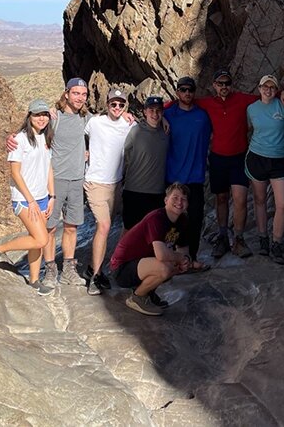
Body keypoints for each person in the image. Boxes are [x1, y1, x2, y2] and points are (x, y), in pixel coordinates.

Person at [7, 78, 90, 289]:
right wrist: (10, 139)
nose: (79, 98)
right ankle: (50, 269)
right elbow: (30, 131)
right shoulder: (54, 117)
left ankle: (69, 270)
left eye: (84, 94)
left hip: (77, 178)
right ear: (66, 94)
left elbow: (110, 123)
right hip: (55, 180)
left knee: (71, 227)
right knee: (50, 228)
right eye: (76, 93)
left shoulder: (86, 118)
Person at [0, 99, 56, 295]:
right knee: (41, 239)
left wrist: (52, 195)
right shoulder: (20, 140)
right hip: (25, 199)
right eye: (37, 115)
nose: (41, 119)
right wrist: (31, 200)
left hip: (42, 197)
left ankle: (34, 280)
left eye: (44, 115)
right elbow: (15, 173)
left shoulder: (45, 138)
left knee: (37, 239)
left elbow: (48, 168)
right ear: (29, 116)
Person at [194, 69, 259, 259]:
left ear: (231, 85)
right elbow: (184, 102)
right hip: (218, 158)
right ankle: (222, 237)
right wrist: (161, 111)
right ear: (214, 85)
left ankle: (238, 239)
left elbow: (264, 96)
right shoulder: (207, 103)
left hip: (239, 158)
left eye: (227, 83)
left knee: (239, 199)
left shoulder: (241, 99)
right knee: (221, 198)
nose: (224, 87)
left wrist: (283, 93)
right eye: (220, 83)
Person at [109, 183, 192, 316]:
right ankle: (138, 297)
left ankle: (148, 292)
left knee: (174, 264)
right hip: (122, 268)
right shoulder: (157, 218)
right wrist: (180, 258)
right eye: (175, 198)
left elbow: (183, 248)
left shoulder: (182, 219)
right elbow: (161, 255)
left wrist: (185, 260)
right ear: (166, 200)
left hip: (142, 263)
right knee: (165, 267)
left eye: (183, 199)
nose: (179, 202)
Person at [82, 87, 134, 295]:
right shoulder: (94, 122)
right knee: (104, 226)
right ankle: (95, 277)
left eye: (121, 105)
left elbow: (149, 127)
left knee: (105, 227)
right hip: (94, 183)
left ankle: (93, 269)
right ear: (107, 104)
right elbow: (72, 129)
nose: (117, 108)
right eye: (113, 104)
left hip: (116, 184)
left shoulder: (128, 125)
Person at [163, 76, 212, 270]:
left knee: (195, 219)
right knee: (173, 220)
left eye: (190, 90)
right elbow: (149, 116)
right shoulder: (168, 114)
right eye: (183, 90)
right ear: (177, 93)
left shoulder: (203, 116)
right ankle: (172, 255)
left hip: (195, 178)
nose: (187, 93)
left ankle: (191, 258)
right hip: (174, 179)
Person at [245, 74, 284, 263]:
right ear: (259, 87)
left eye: (272, 87)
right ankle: (263, 238)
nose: (268, 90)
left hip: (280, 160)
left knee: (283, 204)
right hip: (257, 158)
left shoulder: (283, 106)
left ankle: (277, 242)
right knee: (260, 200)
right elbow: (248, 130)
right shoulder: (251, 109)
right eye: (265, 86)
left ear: (276, 89)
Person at [121, 96, 169, 230]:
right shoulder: (134, 130)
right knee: (129, 232)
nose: (155, 114)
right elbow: (125, 154)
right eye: (151, 110)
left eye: (158, 110)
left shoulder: (167, 132)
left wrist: (165, 120)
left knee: (152, 234)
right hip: (134, 191)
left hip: (157, 193)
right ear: (145, 112)